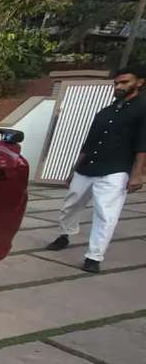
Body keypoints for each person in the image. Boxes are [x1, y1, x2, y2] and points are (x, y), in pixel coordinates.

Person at [45, 67, 146, 272]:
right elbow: (89, 142)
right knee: (71, 204)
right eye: (116, 83)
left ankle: (94, 256)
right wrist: (74, 169)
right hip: (88, 166)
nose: (119, 86)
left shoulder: (143, 108)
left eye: (124, 82)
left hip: (116, 169)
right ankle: (64, 234)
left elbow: (143, 144)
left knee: (106, 215)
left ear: (139, 83)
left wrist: (138, 173)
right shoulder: (107, 111)